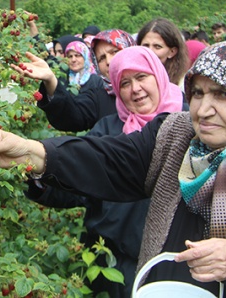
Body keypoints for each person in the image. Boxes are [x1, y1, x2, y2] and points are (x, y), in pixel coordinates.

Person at [0, 40, 226, 297]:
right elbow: (113, 158)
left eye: (223, 95)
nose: (203, 110)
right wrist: (33, 152)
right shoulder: (178, 135)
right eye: (199, 93)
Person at [26, 46, 184, 298]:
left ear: (159, 75)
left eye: (142, 77)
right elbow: (80, 183)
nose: (135, 89)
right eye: (125, 83)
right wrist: (33, 174)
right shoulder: (109, 129)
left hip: (170, 265)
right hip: (109, 261)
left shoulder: (186, 127)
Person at [10, 30, 135, 133]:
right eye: (101, 58)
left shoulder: (152, 85)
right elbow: (73, 115)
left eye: (115, 52)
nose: (109, 61)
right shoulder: (100, 91)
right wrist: (51, 80)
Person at [136, 18, 189, 87]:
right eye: (146, 45)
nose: (150, 51)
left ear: (172, 52)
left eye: (157, 46)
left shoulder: (183, 85)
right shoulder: (132, 79)